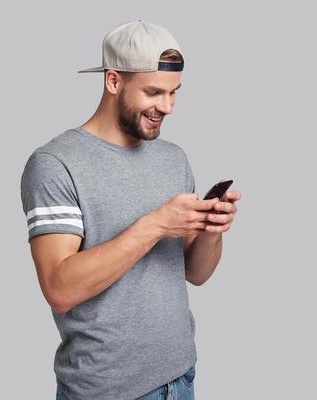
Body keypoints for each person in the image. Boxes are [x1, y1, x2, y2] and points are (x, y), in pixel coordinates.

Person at [20, 19, 241, 400]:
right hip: (106, 390)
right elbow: (59, 288)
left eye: (174, 93)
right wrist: (155, 225)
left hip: (180, 377)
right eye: (154, 92)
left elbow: (197, 273)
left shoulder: (173, 158)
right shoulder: (55, 163)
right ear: (113, 81)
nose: (167, 107)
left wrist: (211, 230)